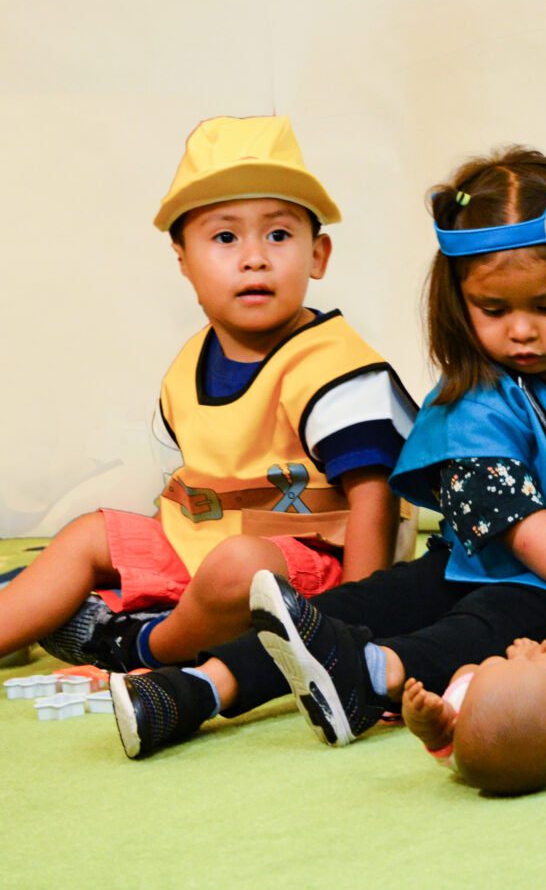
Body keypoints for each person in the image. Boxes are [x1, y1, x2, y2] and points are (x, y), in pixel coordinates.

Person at [110, 148, 546, 757]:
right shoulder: (473, 399)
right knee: (361, 604)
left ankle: (369, 674)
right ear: (457, 300)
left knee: (484, 624)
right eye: (492, 309)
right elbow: (517, 527)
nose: (520, 330)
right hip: (492, 562)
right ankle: (197, 687)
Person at [5, 115, 412, 674]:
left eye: (279, 234)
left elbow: (373, 498)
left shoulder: (335, 367)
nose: (254, 257)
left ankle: (139, 646)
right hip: (199, 545)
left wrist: (357, 625)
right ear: (184, 262)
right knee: (85, 534)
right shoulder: (191, 363)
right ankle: (29, 619)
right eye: (225, 237)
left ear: (318, 255)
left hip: (313, 571)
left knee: (241, 570)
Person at [401, 636, 546, 795]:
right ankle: (516, 666)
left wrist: (429, 724)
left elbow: (445, 741)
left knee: (469, 670)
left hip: (464, 710)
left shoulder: (462, 746)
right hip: (480, 700)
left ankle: (436, 723)